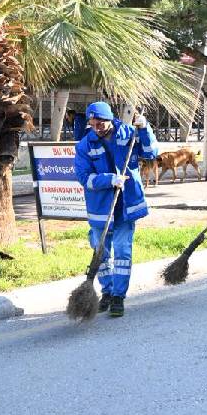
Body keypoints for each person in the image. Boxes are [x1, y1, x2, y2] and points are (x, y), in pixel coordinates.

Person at [73, 101, 157, 317]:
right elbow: (85, 178)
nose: (97, 127)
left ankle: (119, 296)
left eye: (100, 123)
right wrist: (110, 179)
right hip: (101, 209)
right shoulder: (85, 145)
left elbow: (150, 152)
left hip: (126, 206)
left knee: (122, 252)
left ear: (110, 119)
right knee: (101, 253)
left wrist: (144, 128)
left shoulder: (129, 133)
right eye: (93, 124)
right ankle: (107, 291)